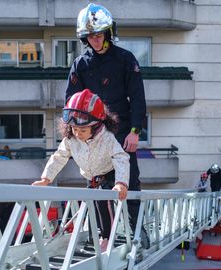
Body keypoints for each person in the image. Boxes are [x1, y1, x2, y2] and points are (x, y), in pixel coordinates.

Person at [65, 3, 149, 248]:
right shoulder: (80, 64)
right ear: (84, 37)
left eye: (99, 34)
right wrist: (73, 135)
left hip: (123, 133)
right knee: (95, 187)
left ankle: (137, 231)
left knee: (129, 184)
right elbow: (70, 102)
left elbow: (138, 98)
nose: (95, 39)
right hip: (93, 135)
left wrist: (135, 132)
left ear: (108, 33)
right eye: (90, 35)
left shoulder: (125, 59)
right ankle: (100, 234)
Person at [33, 89, 130, 252]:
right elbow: (59, 156)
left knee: (104, 202)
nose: (78, 133)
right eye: (74, 129)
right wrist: (46, 179)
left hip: (108, 174)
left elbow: (121, 157)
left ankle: (108, 237)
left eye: (83, 130)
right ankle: (95, 236)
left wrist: (121, 183)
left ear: (97, 125)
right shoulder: (71, 139)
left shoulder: (107, 138)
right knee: (90, 204)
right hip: (90, 176)